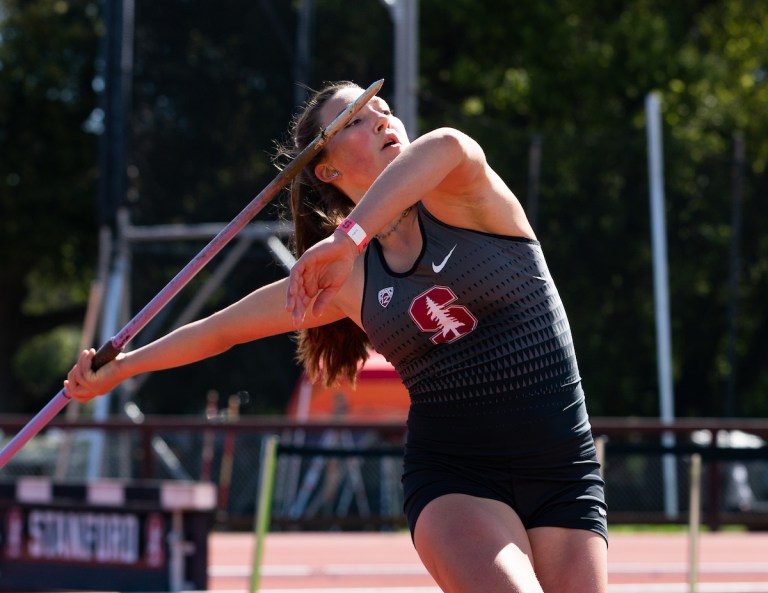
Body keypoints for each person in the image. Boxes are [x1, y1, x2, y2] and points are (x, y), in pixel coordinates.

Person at [66, 80, 608, 593]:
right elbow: (219, 330)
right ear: (325, 170)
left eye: (382, 109)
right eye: (355, 120)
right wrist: (123, 367)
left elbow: (447, 144)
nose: (381, 120)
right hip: (457, 478)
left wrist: (348, 237)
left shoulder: (463, 199)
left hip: (562, 468)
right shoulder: (347, 278)